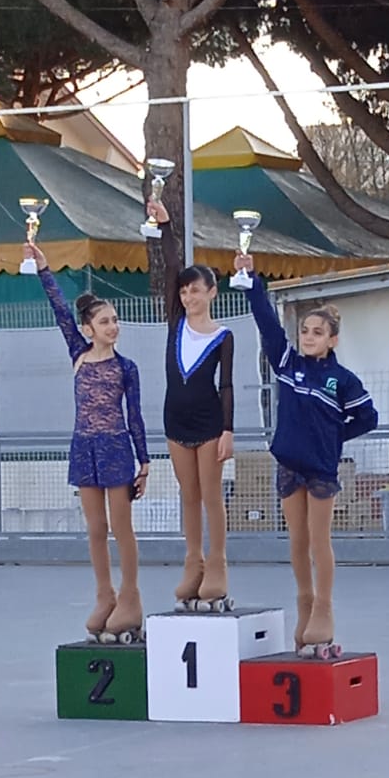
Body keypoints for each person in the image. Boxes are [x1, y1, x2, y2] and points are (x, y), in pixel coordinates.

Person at [235, 250, 378, 653]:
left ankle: (324, 609)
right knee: (296, 542)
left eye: (317, 332)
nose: (308, 337)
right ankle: (304, 605)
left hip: (320, 472)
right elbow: (267, 326)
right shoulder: (287, 364)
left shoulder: (342, 380)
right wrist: (253, 283)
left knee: (319, 541)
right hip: (288, 466)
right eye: (305, 331)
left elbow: (368, 418)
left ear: (332, 339)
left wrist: (334, 440)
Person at [25, 243, 149, 640]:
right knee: (96, 529)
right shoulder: (78, 355)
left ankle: (131, 595)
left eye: (115, 320)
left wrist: (144, 461)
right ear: (88, 329)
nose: (113, 326)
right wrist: (44, 268)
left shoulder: (126, 367)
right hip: (84, 448)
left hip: (115, 449)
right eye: (105, 321)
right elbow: (60, 309)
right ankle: (104, 594)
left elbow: (135, 416)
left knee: (121, 528)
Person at [147, 199, 234, 610]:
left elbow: (227, 386)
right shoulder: (174, 322)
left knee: (211, 495)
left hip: (209, 423)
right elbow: (168, 265)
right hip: (175, 421)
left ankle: (217, 563)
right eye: (184, 290)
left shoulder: (222, 335)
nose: (187, 296)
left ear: (211, 292)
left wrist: (228, 430)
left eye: (196, 289)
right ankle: (193, 561)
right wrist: (165, 228)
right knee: (188, 495)